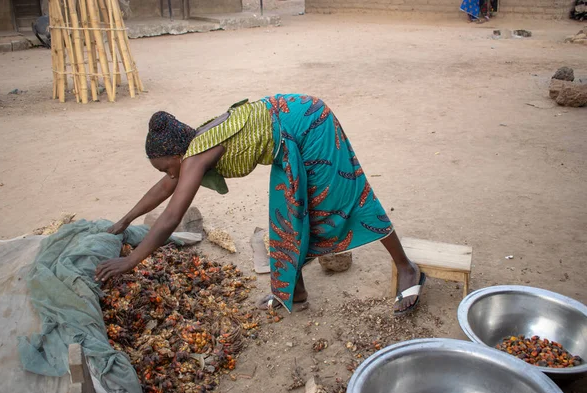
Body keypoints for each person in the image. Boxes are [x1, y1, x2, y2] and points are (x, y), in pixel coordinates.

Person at [95, 94, 424, 315]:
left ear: (179, 155)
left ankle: (408, 269)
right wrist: (125, 220)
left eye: (167, 166)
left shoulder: (195, 156)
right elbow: (165, 187)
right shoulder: (190, 149)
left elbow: (170, 218)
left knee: (346, 198)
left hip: (309, 124)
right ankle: (293, 294)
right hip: (286, 138)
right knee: (286, 217)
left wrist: (130, 262)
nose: (169, 174)